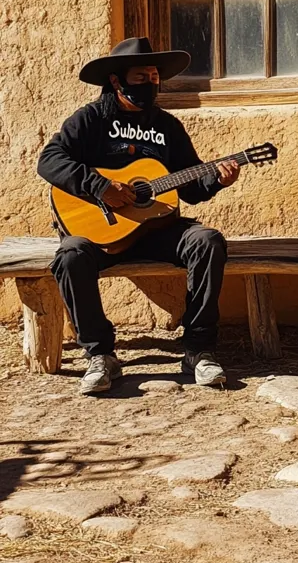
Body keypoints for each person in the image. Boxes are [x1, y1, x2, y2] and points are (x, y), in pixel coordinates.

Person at [37, 37, 240, 395]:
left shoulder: (167, 126)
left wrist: (217, 179)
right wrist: (100, 187)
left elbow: (189, 186)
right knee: (69, 256)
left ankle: (198, 349)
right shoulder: (90, 119)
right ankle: (100, 356)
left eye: (154, 76)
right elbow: (50, 160)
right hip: (100, 231)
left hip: (157, 229)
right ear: (116, 81)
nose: (149, 83)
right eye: (140, 76)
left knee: (206, 241)